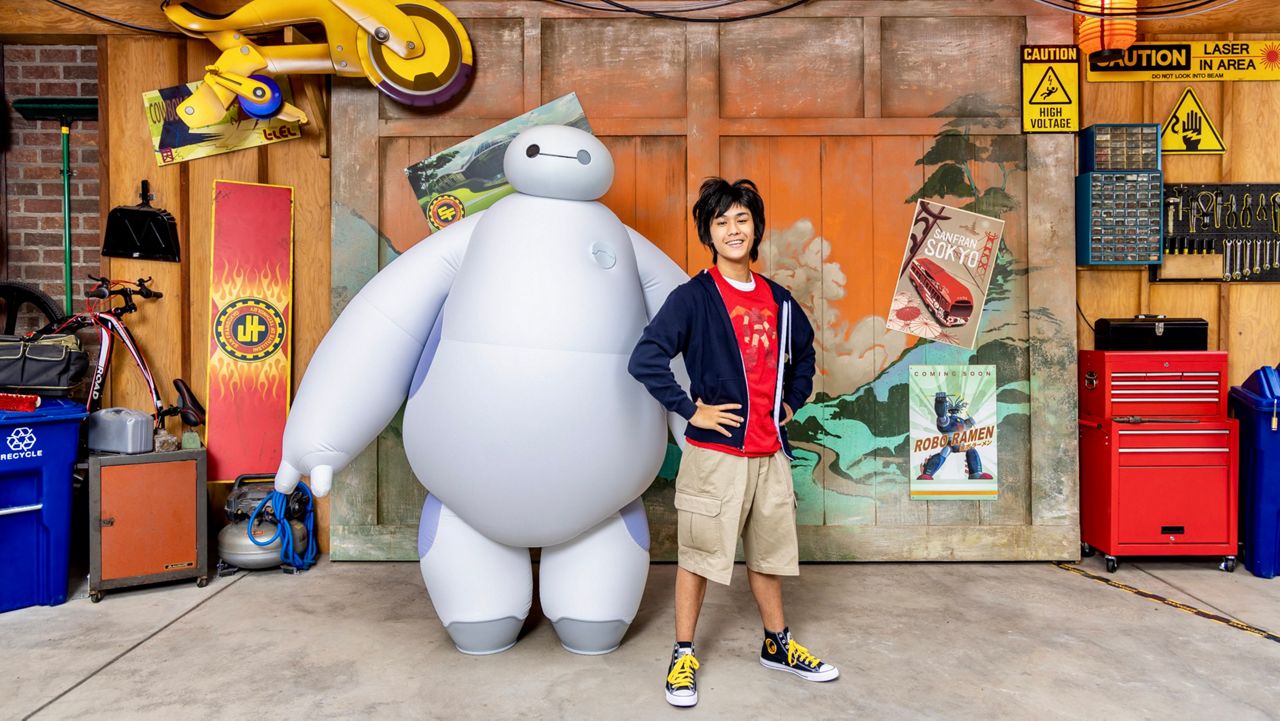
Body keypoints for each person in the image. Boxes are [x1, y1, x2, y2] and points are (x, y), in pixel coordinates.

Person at [629, 178, 839, 708]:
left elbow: (805, 358)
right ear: (709, 233)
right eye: (720, 222)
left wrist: (789, 405)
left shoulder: (781, 301)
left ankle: (777, 644)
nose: (732, 229)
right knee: (699, 557)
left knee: (768, 557)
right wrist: (690, 408)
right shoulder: (694, 298)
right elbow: (646, 357)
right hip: (715, 456)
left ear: (756, 227)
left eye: (741, 219)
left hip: (770, 454)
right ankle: (682, 653)